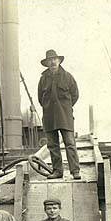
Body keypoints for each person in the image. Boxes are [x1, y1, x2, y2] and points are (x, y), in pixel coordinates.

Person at [37, 49, 80, 180]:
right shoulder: (43, 79)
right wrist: (48, 108)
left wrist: (65, 108)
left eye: (54, 59)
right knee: (53, 145)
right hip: (49, 117)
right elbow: (40, 98)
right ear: (47, 63)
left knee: (70, 143)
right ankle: (57, 171)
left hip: (65, 117)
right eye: (50, 60)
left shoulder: (68, 77)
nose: (52, 62)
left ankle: (75, 171)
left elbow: (75, 95)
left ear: (59, 61)